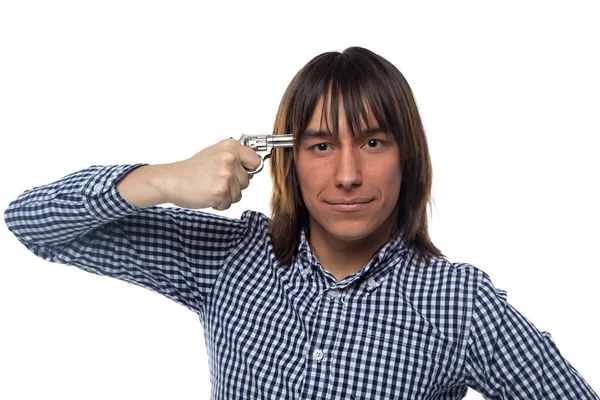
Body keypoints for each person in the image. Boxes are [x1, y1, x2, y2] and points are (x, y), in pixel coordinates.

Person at [4, 46, 598, 399]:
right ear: (286, 156)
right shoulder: (228, 260)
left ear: (407, 154)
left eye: (372, 141)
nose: (346, 174)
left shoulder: (457, 302)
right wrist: (160, 179)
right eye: (319, 146)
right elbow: (30, 223)